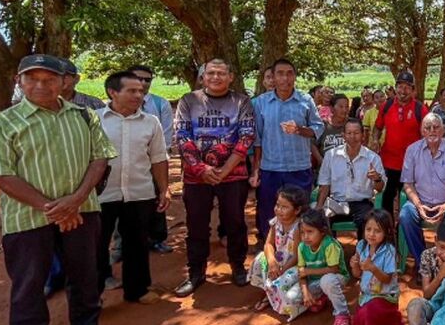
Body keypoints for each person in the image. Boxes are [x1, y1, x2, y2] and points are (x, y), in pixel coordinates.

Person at [0, 54, 118, 325]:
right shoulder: (2, 123)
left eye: (49, 79)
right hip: (28, 218)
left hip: (83, 211)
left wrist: (75, 201)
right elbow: (2, 176)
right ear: (19, 81)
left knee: (85, 272)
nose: (40, 85)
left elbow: (100, 159)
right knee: (29, 282)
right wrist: (54, 208)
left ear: (64, 82)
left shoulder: (84, 116)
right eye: (31, 78)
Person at [173, 58, 255, 297]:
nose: (216, 77)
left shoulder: (242, 101)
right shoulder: (189, 101)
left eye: (221, 73)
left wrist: (226, 169)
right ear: (203, 77)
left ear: (230, 77)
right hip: (196, 177)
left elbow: (246, 136)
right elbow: (182, 136)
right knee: (196, 226)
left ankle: (238, 267)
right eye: (211, 73)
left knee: (236, 223)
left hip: (233, 175)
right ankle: (196, 273)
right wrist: (201, 169)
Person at [96, 71, 170, 304]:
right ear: (112, 92)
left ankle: (137, 290)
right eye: (132, 90)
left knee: (137, 243)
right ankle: (93, 294)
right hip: (100, 195)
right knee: (96, 246)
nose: (139, 94)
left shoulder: (150, 122)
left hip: (140, 191)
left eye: (141, 90)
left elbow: (158, 157)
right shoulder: (94, 120)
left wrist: (164, 189)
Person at [250, 58, 324, 241]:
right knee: (268, 212)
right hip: (270, 169)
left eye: (289, 73)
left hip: (299, 168)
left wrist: (300, 129)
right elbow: (257, 139)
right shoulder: (260, 103)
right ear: (272, 77)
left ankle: (300, 252)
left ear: (295, 76)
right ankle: (269, 252)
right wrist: (256, 169)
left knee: (300, 212)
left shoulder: (305, 100)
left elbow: (318, 128)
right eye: (280, 73)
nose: (285, 78)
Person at [399, 113, 445, 271]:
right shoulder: (412, 150)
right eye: (428, 128)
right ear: (422, 131)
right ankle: (423, 264)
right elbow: (407, 184)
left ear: (443, 130)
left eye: (436, 127)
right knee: (405, 214)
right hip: (420, 203)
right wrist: (418, 205)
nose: (432, 131)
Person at [371, 71, 430, 217]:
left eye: (407, 87)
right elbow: (377, 128)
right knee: (387, 198)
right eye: (400, 86)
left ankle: (404, 234)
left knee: (410, 201)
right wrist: (374, 140)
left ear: (413, 90)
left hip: (413, 164)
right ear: (395, 87)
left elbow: (429, 133)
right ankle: (387, 232)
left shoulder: (420, 109)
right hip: (389, 162)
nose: (403, 91)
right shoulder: (386, 105)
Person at [129, 64, 174, 253]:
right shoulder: (116, 102)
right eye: (139, 78)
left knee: (157, 199)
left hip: (153, 161)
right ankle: (127, 242)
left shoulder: (160, 103)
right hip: (128, 162)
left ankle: (157, 239)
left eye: (148, 79)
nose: (143, 83)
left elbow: (166, 134)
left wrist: (159, 159)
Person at [316, 118, 386, 238]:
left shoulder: (373, 158)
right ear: (343, 135)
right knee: (321, 219)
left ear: (363, 135)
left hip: (362, 204)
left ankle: (362, 254)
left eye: (356, 133)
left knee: (367, 221)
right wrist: (319, 206)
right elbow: (324, 185)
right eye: (349, 133)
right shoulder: (331, 156)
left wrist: (377, 179)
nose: (352, 137)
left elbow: (380, 189)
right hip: (336, 202)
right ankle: (332, 252)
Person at [249, 186, 308, 321]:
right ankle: (269, 294)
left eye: (284, 207)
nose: (278, 210)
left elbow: (297, 255)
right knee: (260, 259)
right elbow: (268, 244)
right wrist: (271, 262)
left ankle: (276, 297)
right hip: (278, 262)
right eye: (277, 205)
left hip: (293, 265)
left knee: (281, 283)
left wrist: (282, 269)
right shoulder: (275, 223)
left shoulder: (298, 227)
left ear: (297, 210)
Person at [350, 210, 404, 325]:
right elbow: (357, 275)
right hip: (367, 294)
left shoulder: (389, 251)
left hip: (385, 295)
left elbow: (387, 279)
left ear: (386, 232)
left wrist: (373, 268)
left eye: (377, 231)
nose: (371, 234)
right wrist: (354, 265)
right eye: (368, 229)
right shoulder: (361, 246)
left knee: (368, 313)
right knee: (361, 316)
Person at [297, 209, 352, 325]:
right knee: (295, 297)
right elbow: (301, 273)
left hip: (336, 277)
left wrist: (308, 271)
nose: (305, 236)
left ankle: (342, 314)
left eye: (310, 232)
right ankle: (321, 297)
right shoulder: (301, 247)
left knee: (327, 281)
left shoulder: (330, 245)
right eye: (302, 232)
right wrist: (305, 293)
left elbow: (334, 269)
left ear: (322, 231)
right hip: (315, 281)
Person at [313, 93, 350, 165]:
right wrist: (321, 160)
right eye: (341, 107)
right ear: (332, 108)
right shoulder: (323, 125)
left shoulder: (352, 124)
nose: (344, 110)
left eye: (347, 107)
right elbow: (312, 144)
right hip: (327, 169)